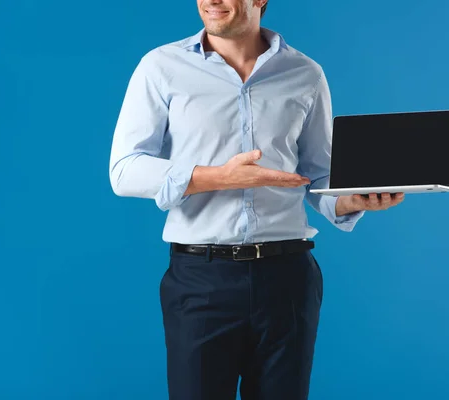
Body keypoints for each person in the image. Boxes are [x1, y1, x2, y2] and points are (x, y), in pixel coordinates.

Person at [108, 1, 404, 399]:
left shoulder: (305, 74)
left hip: (288, 279)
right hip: (201, 280)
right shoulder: (160, 67)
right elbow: (124, 170)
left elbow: (319, 174)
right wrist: (218, 178)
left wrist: (353, 201)